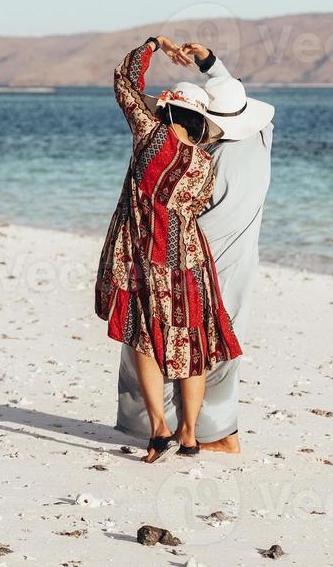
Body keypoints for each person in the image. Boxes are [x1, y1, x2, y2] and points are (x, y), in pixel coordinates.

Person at [115, 36, 274, 455]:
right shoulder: (255, 141)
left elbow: (126, 86)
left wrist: (151, 47)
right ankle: (204, 433)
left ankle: (165, 428)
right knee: (206, 348)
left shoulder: (158, 148)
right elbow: (231, 98)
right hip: (215, 263)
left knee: (150, 342)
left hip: (184, 261)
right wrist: (211, 66)